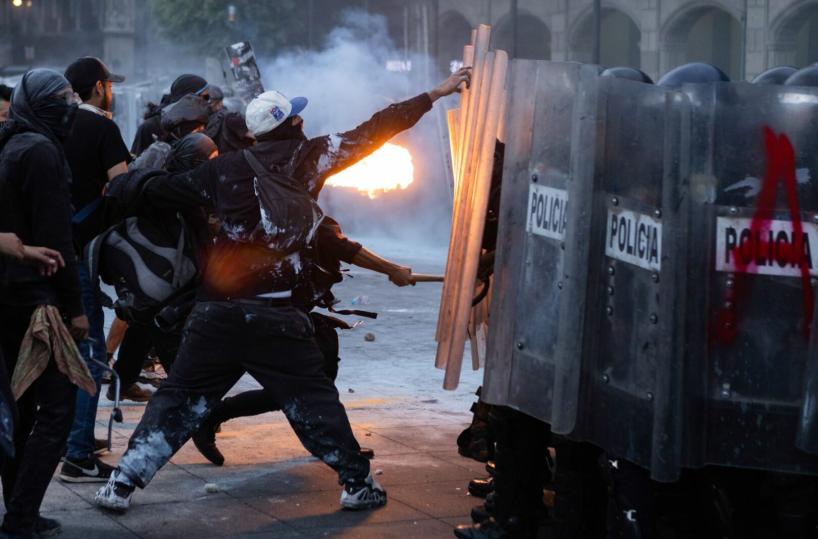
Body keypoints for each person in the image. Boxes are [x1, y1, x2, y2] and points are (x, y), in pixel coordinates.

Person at [93, 67, 472, 513]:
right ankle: (356, 483)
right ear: (292, 125)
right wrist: (438, 92)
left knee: (176, 400)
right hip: (276, 315)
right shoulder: (310, 158)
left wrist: (123, 183)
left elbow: (160, 191)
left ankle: (120, 485)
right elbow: (378, 128)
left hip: (216, 313)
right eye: (296, 117)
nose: (302, 122)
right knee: (313, 398)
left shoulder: (223, 170)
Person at [192, 215, 413, 466]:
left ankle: (329, 442)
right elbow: (346, 249)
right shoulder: (305, 220)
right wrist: (392, 269)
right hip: (267, 318)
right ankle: (334, 446)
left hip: (287, 315)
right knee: (306, 385)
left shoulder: (298, 214)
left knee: (316, 378)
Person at [0, 68, 89, 539]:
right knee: (57, 407)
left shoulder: (13, 142)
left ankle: (20, 510)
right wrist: (75, 309)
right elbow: (57, 241)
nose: (70, 106)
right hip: (38, 299)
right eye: (62, 99)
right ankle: (19, 517)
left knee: (22, 406)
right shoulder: (39, 150)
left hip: (11, 294)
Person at [58, 57, 131, 484]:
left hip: (45, 253)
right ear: (100, 88)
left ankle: (65, 435)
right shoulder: (103, 128)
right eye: (110, 85)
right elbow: (122, 188)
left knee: (59, 349)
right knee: (89, 353)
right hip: (81, 253)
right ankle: (78, 453)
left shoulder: (54, 125)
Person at [131, 74, 209, 156]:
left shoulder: (201, 123)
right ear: (188, 98)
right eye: (206, 97)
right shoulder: (150, 127)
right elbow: (136, 163)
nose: (208, 102)